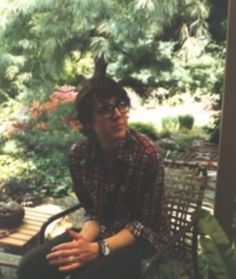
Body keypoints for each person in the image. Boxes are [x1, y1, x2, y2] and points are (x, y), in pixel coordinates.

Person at [17, 77, 170, 279]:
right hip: (102, 231)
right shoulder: (79, 156)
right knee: (31, 266)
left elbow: (146, 226)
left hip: (139, 243)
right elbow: (93, 211)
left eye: (121, 105)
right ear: (88, 121)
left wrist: (98, 249)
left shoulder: (146, 154)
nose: (117, 115)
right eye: (106, 109)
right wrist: (82, 243)